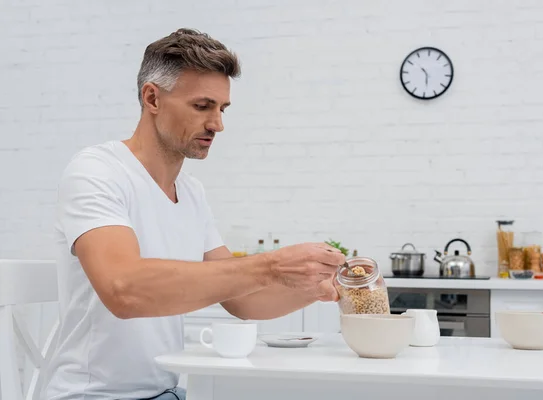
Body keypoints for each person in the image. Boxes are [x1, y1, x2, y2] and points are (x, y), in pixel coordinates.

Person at [43, 28, 345, 400]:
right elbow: (124, 290)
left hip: (168, 392)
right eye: (203, 106)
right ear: (152, 97)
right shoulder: (97, 172)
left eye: (222, 109)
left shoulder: (191, 192)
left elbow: (243, 300)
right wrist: (270, 265)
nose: (218, 124)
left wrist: (321, 289)